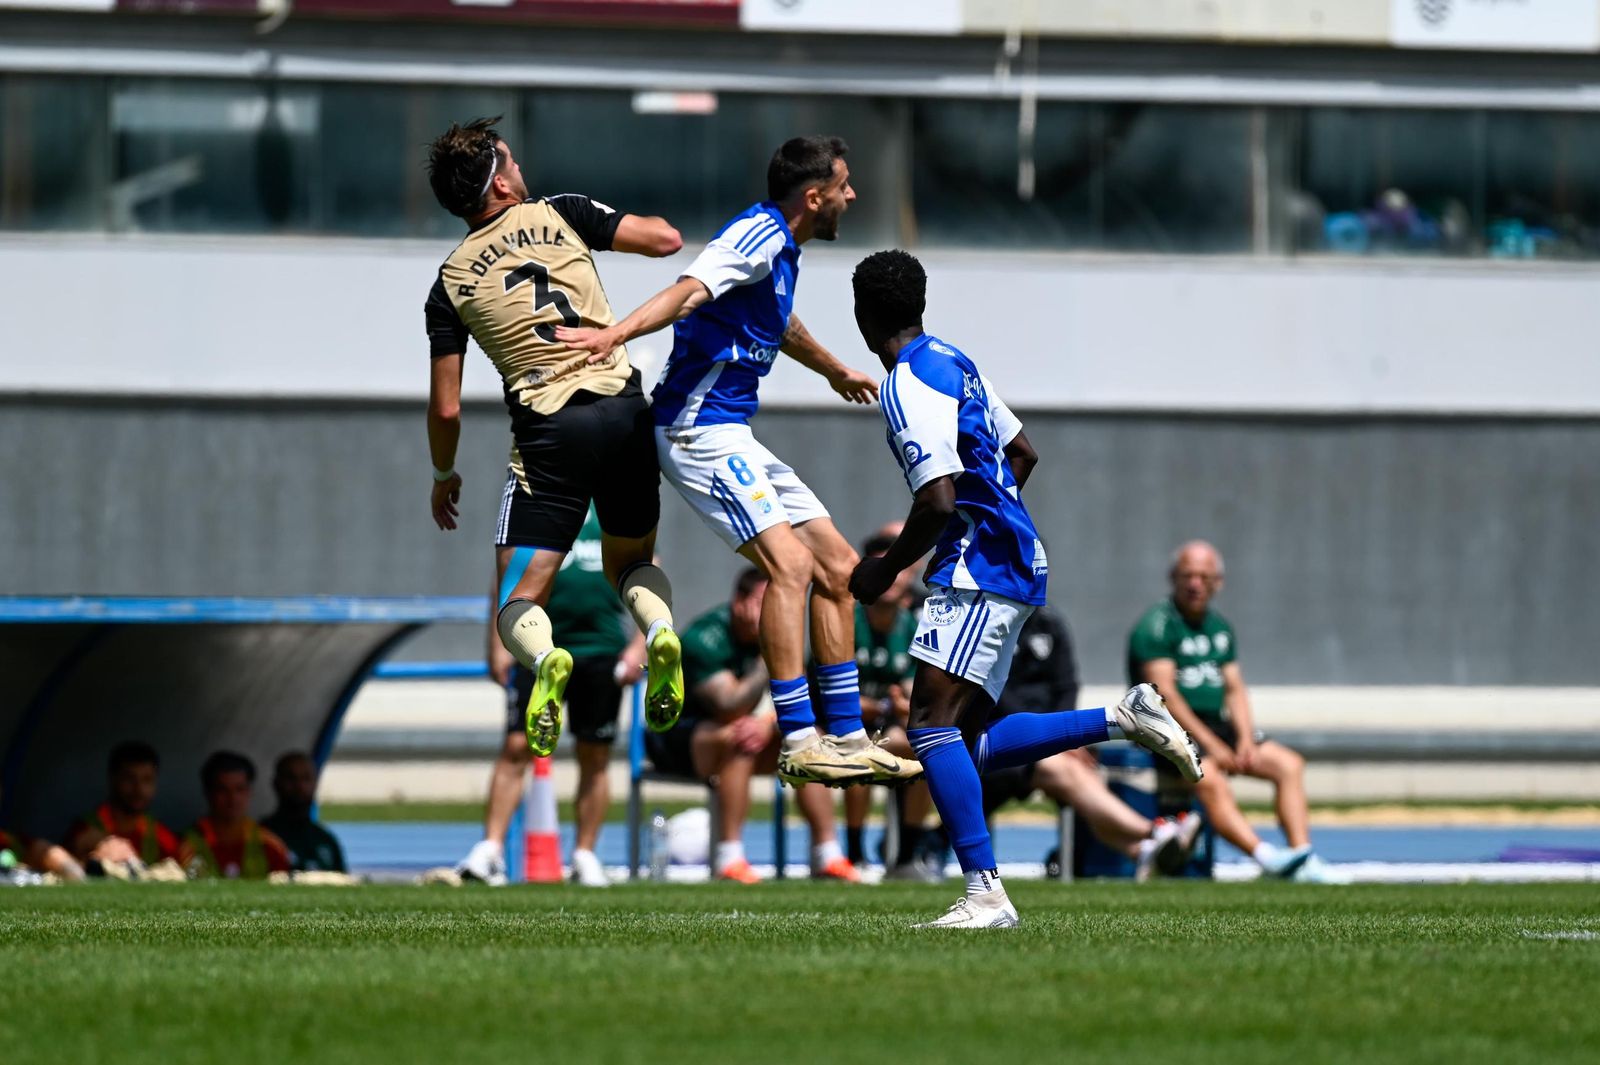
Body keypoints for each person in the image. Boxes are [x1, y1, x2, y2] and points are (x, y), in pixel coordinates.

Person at [845, 249, 1203, 928]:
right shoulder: (954, 359)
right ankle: (1120, 718)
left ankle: (986, 892)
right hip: (1004, 556)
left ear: (863, 316)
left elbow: (938, 498)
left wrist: (884, 569)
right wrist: (997, 517)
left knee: (926, 727)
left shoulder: (906, 383)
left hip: (980, 563)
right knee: (962, 739)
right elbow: (1024, 451)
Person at [557, 136, 916, 789]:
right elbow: (688, 290)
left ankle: (845, 736)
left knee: (841, 570)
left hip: (733, 432)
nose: (852, 196)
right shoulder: (756, 234)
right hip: (697, 431)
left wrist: (833, 367)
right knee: (793, 566)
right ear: (815, 196)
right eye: (845, 185)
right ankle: (801, 739)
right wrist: (615, 335)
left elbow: (778, 321)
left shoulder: (781, 251)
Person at [423, 115, 685, 765]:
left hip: (550, 429)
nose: (519, 167)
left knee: (519, 598)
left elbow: (447, 406)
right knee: (630, 564)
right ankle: (658, 630)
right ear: (500, 183)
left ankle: (545, 659)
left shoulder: (449, 283)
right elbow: (664, 241)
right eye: (509, 160)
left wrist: (443, 473)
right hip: (624, 408)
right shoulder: (560, 212)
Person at [458, 490, 648, 888]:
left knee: (594, 754)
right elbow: (507, 573)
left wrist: (638, 644)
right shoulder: (540, 501)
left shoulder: (617, 504)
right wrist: (497, 643)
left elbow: (644, 571)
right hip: (537, 648)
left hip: (600, 651)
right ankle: (490, 851)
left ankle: (585, 855)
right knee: (515, 745)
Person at [1129, 541, 1344, 883]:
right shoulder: (1156, 626)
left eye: (1203, 576)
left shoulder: (1220, 628)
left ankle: (1302, 859)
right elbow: (1165, 695)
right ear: (1173, 578)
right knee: (1210, 775)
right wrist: (1213, 745)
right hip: (1166, 731)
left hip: (1217, 727)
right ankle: (1267, 858)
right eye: (1187, 576)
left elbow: (1235, 688)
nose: (1195, 584)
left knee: (1288, 765)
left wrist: (1244, 737)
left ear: (1218, 583)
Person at [647, 568, 860, 883]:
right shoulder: (703, 638)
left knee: (809, 740)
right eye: (765, 602)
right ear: (740, 603)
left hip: (747, 735)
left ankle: (827, 854)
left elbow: (802, 706)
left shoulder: (780, 636)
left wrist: (768, 725)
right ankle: (729, 857)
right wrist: (768, 654)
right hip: (680, 739)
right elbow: (728, 705)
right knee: (739, 737)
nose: (775, 610)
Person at [980, 607, 1201, 882]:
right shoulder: (987, 626)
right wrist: (1053, 738)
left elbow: (1067, 686)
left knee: (1087, 775)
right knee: (1069, 771)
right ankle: (1156, 831)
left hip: (1050, 745)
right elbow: (995, 695)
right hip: (997, 746)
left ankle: (1141, 850)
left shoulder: (1051, 625)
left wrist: (1063, 737)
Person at [828, 531, 936, 879]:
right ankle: (855, 855)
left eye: (899, 568)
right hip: (839, 723)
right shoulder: (844, 621)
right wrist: (874, 706)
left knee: (924, 749)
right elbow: (825, 692)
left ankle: (906, 858)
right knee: (858, 747)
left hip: (885, 724)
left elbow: (913, 693)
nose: (891, 577)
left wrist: (901, 704)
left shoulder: (914, 626)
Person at [64, 740, 181, 866]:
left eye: (147, 780)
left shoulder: (164, 838)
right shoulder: (84, 829)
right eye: (129, 779)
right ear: (112, 779)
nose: (139, 789)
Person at [180, 751, 292, 879]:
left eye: (240, 789)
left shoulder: (271, 846)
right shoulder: (187, 845)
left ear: (250, 792)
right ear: (208, 793)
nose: (232, 799)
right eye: (223, 790)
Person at [261, 751, 347, 874]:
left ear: (315, 784)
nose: (299, 786)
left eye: (306, 778)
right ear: (276, 783)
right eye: (291, 778)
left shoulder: (325, 840)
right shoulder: (261, 838)